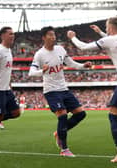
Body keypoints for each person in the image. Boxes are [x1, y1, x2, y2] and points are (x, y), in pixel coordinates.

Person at [67, 16, 117, 162]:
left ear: (110, 27)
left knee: (113, 115)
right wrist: (101, 33)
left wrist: (73, 37)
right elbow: (114, 41)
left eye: (106, 26)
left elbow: (83, 47)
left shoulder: (110, 40)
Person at [28, 26, 92, 157]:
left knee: (81, 114)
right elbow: (31, 73)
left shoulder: (60, 49)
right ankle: (64, 149)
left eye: (54, 35)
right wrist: (42, 71)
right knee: (62, 115)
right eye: (50, 35)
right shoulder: (39, 54)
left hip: (63, 88)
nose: (53, 37)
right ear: (44, 37)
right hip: (51, 90)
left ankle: (59, 132)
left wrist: (82, 65)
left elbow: (70, 63)